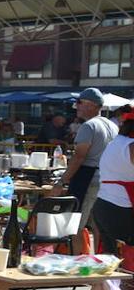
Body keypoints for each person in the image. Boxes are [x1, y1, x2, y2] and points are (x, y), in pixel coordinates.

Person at [53, 87, 118, 245]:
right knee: (99, 225)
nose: (76, 106)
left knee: (74, 225)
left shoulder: (89, 126)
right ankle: (99, 261)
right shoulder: (112, 126)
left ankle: (74, 262)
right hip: (106, 179)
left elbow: (79, 158)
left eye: (79, 102)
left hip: (88, 178)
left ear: (91, 105)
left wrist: (60, 182)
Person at [94, 111, 134, 257]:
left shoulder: (115, 143)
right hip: (122, 210)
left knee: (111, 260)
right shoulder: (131, 146)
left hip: (103, 206)